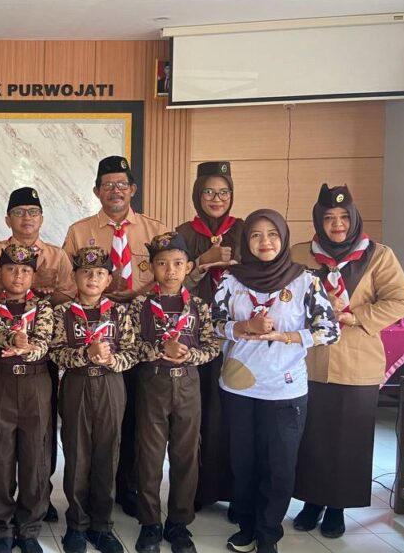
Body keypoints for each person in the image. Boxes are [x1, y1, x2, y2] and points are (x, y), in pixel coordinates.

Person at [212, 209, 340, 553]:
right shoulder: (231, 279)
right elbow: (213, 323)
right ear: (246, 241)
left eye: (272, 234)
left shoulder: (305, 280)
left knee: (279, 466)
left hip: (285, 388)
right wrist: (241, 328)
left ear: (283, 238)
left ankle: (268, 534)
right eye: (256, 235)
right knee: (243, 463)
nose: (264, 241)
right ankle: (247, 528)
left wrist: (288, 337)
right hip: (238, 386)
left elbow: (330, 330)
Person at [290, 185, 404, 538]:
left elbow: (402, 301)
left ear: (355, 218)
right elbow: (286, 297)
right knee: (311, 437)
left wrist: (355, 316)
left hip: (356, 363)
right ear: (319, 220)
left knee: (348, 439)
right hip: (308, 362)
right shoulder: (300, 253)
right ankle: (311, 501)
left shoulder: (379, 256)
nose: (337, 224)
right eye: (329, 218)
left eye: (344, 217)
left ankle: (337, 508)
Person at [63, 155, 168, 517]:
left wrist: (137, 295)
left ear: (132, 189)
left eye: (122, 184)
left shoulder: (155, 230)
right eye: (107, 185)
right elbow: (68, 282)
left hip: (143, 332)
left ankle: (127, 488)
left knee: (137, 416)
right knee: (93, 425)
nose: (115, 191)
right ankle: (88, 497)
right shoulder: (79, 232)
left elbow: (169, 277)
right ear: (97, 191)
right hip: (94, 330)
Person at [0, 187, 74, 523]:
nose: (27, 218)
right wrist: (30, 282)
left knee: (40, 437)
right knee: (0, 442)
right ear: (8, 219)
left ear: (42, 218)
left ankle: (40, 496)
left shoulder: (57, 255)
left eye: (33, 212)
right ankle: (1, 512)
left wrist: (44, 292)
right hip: (4, 360)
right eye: (19, 212)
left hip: (40, 352)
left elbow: (69, 297)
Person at [127, 232, 220, 553]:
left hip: (188, 384)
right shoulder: (140, 305)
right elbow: (131, 346)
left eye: (178, 264)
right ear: (151, 267)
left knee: (186, 455)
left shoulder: (198, 306)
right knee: (149, 455)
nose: (170, 271)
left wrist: (189, 355)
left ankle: (179, 522)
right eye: (162, 264)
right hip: (153, 382)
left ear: (189, 267)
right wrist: (158, 349)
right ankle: (150, 522)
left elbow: (212, 346)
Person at [50, 247, 136, 553]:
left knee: (107, 454)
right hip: (77, 383)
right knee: (77, 454)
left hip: (111, 384)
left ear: (108, 279)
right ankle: (77, 523)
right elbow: (55, 352)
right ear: (74, 276)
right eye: (85, 272)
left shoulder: (119, 313)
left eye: (100, 273)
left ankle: (101, 525)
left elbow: (132, 352)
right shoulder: (62, 312)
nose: (92, 278)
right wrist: (85, 354)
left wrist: (111, 360)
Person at [174, 161, 243, 513]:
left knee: (233, 413)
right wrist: (203, 261)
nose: (217, 198)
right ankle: (199, 489)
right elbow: (172, 284)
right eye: (209, 192)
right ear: (197, 195)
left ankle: (237, 490)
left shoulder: (245, 230)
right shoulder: (184, 233)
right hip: (194, 336)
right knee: (200, 413)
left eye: (223, 192)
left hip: (238, 337)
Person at [0, 243, 56, 553]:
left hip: (36, 382)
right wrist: (14, 338)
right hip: (1, 380)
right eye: (11, 269)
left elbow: (44, 340)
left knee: (35, 453)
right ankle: (1, 527)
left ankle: (29, 528)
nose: (18, 276)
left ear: (33, 276)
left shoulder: (44, 308)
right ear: (0, 273)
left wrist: (28, 348)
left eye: (25, 270)